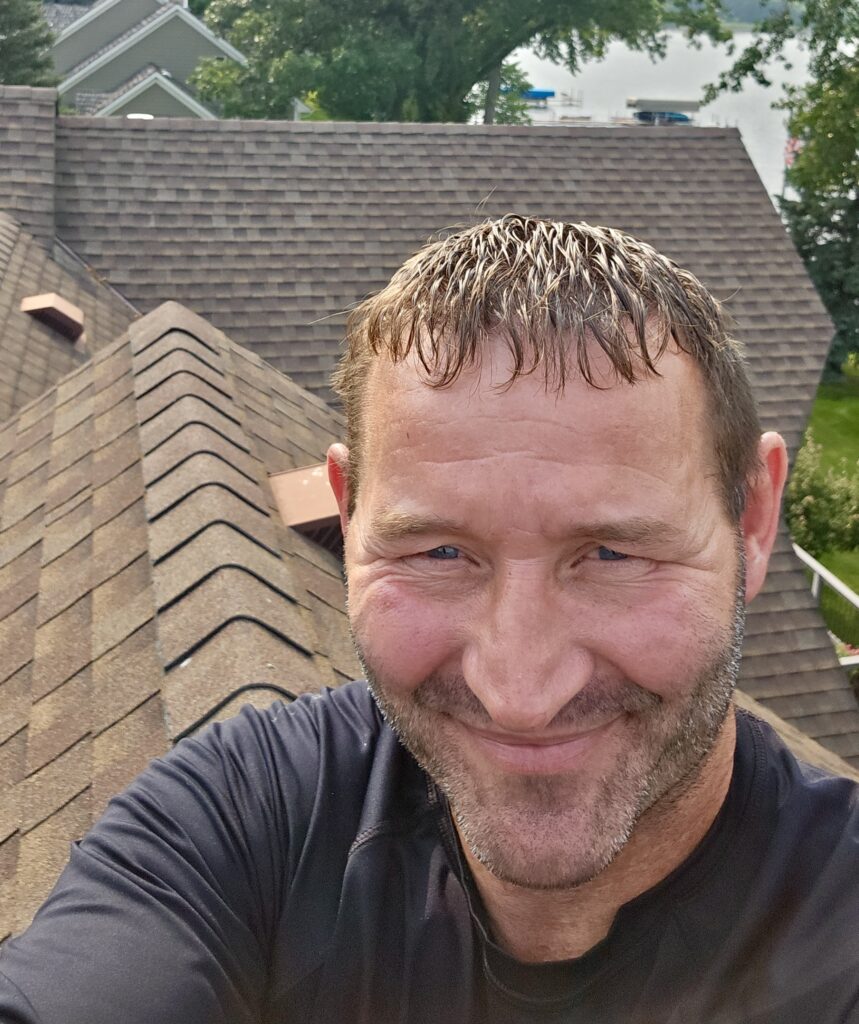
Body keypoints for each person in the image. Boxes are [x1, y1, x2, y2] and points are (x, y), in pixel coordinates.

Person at [1, 216, 857, 1024]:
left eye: (611, 555)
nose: (520, 692)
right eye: (439, 554)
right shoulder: (236, 827)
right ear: (347, 519)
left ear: (750, 519)